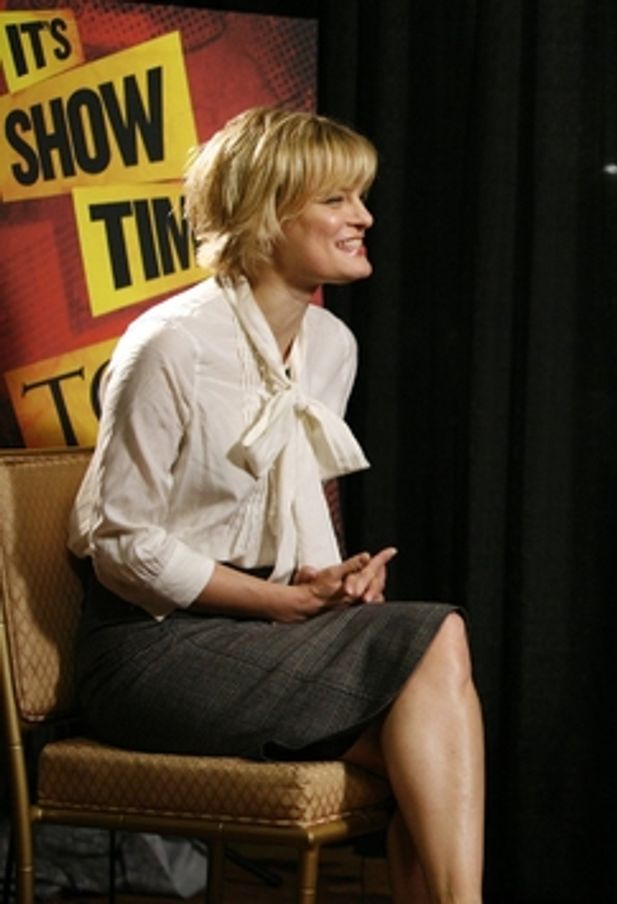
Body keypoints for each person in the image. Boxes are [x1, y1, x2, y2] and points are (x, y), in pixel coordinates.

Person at [68, 107, 485, 903]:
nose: (363, 217)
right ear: (265, 213)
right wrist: (278, 602)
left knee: (425, 747)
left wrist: (327, 582)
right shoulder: (171, 347)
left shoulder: (331, 345)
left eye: (360, 197)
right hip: (149, 648)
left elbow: (289, 500)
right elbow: (119, 546)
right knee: (439, 641)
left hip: (261, 629)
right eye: (336, 199)